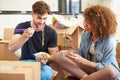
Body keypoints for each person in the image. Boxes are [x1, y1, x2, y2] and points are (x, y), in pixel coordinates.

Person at [54, 5, 120, 80]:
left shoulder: (109, 40)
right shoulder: (85, 34)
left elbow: (105, 66)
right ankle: (85, 77)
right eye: (85, 21)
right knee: (58, 56)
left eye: (89, 23)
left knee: (111, 71)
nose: (85, 25)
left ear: (99, 25)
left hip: (103, 72)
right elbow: (81, 56)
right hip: (89, 70)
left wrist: (84, 61)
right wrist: (72, 44)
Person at [8, 1, 58, 80]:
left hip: (41, 66)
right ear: (32, 14)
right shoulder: (21, 26)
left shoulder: (51, 32)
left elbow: (54, 55)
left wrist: (46, 59)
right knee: (11, 74)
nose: (42, 22)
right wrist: (24, 36)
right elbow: (11, 48)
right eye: (39, 18)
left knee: (46, 73)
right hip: (24, 63)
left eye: (44, 18)